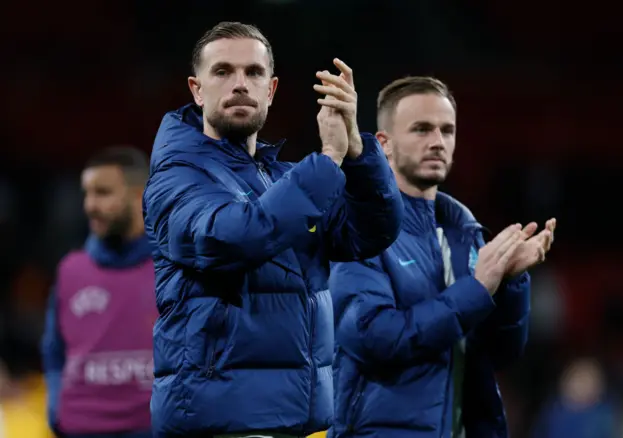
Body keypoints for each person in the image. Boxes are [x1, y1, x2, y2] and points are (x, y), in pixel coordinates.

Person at [142, 21, 403, 438]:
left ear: (272, 90)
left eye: (254, 73)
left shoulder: (283, 179)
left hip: (295, 421)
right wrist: (329, 157)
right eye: (223, 72)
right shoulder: (177, 177)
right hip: (219, 423)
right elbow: (230, 238)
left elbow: (371, 233)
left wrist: (356, 151)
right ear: (196, 89)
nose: (240, 84)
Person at [329, 76, 557, 438]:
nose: (437, 142)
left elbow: (500, 353)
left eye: (446, 130)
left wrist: (510, 284)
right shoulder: (360, 231)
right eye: (421, 129)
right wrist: (478, 288)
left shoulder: (466, 234)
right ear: (384, 144)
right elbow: (373, 337)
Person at [41, 147, 155, 438]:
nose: (89, 206)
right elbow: (54, 351)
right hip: (81, 428)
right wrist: (57, 410)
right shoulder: (70, 270)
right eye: (87, 193)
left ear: (139, 195)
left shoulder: (171, 269)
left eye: (103, 193)